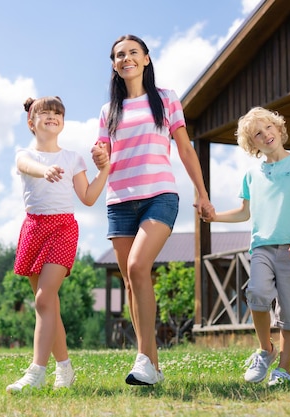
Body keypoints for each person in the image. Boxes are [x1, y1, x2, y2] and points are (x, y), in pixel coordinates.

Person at [91, 34, 214, 386]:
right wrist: (100, 156)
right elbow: (104, 155)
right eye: (119, 55)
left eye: (132, 52)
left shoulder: (166, 99)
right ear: (114, 64)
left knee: (137, 266)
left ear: (146, 58)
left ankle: (143, 359)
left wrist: (202, 194)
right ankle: (152, 366)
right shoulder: (108, 111)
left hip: (159, 195)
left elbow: (186, 150)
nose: (126, 58)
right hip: (119, 201)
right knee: (132, 280)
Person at [204, 106, 290, 386]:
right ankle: (266, 349)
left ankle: (284, 369)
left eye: (268, 128)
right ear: (252, 144)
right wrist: (214, 216)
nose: (265, 134)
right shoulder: (251, 176)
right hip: (262, 247)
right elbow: (245, 213)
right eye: (257, 134)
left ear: (279, 129)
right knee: (256, 293)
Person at [6, 96, 110, 392]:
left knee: (42, 300)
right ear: (32, 122)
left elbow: (88, 197)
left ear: (62, 122)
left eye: (57, 113)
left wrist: (104, 170)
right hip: (34, 228)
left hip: (63, 228)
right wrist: (45, 171)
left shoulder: (73, 158)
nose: (52, 116)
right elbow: (28, 166)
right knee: (48, 305)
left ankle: (36, 372)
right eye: (46, 113)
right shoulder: (23, 154)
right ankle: (64, 369)